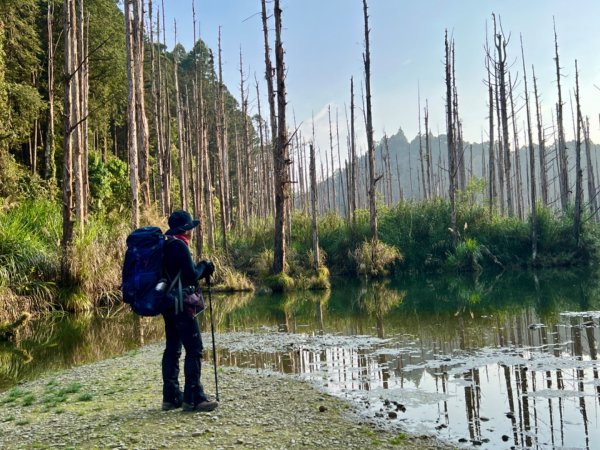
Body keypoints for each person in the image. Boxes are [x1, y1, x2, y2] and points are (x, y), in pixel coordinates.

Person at [160, 210, 218, 412]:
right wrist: (204, 265)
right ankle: (194, 398)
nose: (192, 231)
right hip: (181, 305)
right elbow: (192, 275)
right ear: (186, 229)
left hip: (167, 303)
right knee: (194, 349)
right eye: (190, 227)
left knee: (173, 349)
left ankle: (171, 396)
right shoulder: (179, 246)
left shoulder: (165, 244)